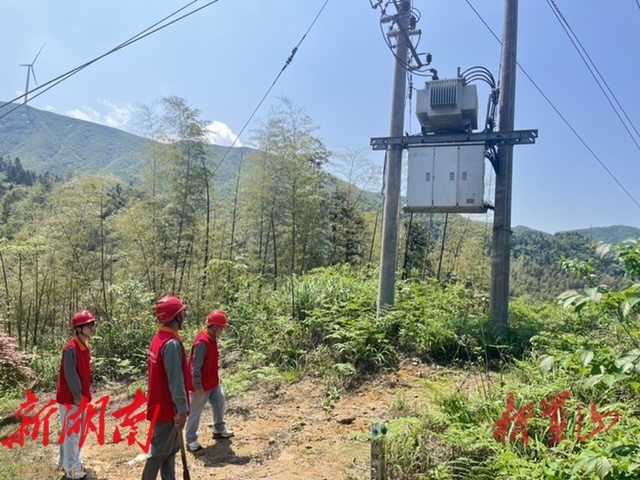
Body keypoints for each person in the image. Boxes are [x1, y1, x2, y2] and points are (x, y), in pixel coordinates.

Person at [142, 295, 191, 480]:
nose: (184, 316)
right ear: (175, 317)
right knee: (158, 454)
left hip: (161, 404)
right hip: (168, 408)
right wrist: (182, 409)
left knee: (170, 451)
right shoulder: (170, 344)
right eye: (181, 313)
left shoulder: (159, 338)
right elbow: (175, 381)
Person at [184, 309, 234, 452]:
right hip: (201, 385)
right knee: (195, 411)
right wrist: (198, 386)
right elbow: (195, 367)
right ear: (215, 327)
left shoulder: (212, 338)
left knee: (220, 401)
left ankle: (219, 429)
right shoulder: (202, 342)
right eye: (222, 328)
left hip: (212, 382)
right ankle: (191, 439)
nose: (222, 331)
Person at [56, 310, 97, 480]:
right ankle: (72, 469)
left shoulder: (83, 346)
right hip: (71, 399)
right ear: (79, 329)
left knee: (72, 432)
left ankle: (64, 462)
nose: (92, 327)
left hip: (79, 398)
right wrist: (78, 397)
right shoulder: (71, 348)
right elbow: (71, 375)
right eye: (89, 325)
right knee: (72, 434)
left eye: (93, 324)